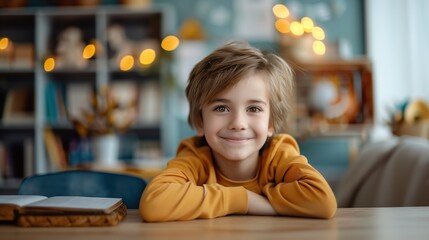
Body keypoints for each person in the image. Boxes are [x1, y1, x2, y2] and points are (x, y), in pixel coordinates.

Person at [139, 41, 337, 222]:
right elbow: (154, 203)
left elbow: (323, 201)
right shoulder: (195, 157)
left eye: (254, 109)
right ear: (200, 121)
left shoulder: (278, 154)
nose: (238, 123)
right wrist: (246, 200)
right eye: (221, 108)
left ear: (271, 123)